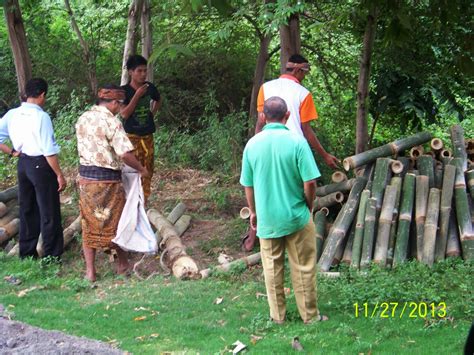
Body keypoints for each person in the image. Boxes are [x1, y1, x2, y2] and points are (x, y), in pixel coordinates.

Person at [240, 96, 328, 324]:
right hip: (297, 216)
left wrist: (253, 211)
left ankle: (277, 317)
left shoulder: (252, 145)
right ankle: (309, 316)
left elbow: (247, 184)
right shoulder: (297, 142)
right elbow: (310, 183)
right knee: (303, 268)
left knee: (271, 268)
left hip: (267, 219)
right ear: (287, 116)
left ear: (263, 116)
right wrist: (308, 206)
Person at [75, 85, 149, 282]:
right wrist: (141, 169)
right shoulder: (111, 121)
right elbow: (125, 154)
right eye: (120, 104)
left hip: (86, 180)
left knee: (88, 223)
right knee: (117, 223)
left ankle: (90, 272)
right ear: (114, 103)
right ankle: (122, 264)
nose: (119, 108)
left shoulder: (83, 118)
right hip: (108, 181)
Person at [0, 78, 66, 260]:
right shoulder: (41, 117)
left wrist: (12, 152)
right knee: (49, 210)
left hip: (23, 164)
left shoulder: (13, 114)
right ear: (42, 95)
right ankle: (52, 254)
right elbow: (48, 150)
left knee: (27, 208)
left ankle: (27, 253)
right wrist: (59, 175)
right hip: (41, 164)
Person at [255, 54, 339, 169]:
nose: (304, 76)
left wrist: (256, 144)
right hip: (294, 148)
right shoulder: (303, 93)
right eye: (304, 73)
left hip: (268, 146)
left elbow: (261, 120)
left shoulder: (265, 87)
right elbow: (306, 130)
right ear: (297, 70)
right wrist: (325, 156)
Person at [120, 54, 161, 203]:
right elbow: (124, 114)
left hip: (148, 136)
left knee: (148, 169)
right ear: (131, 72)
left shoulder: (150, 88)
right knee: (132, 170)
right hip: (132, 138)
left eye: (145, 71)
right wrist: (137, 96)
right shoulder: (124, 91)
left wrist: (152, 114)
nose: (143, 74)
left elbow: (158, 99)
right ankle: (131, 200)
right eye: (139, 71)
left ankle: (144, 200)